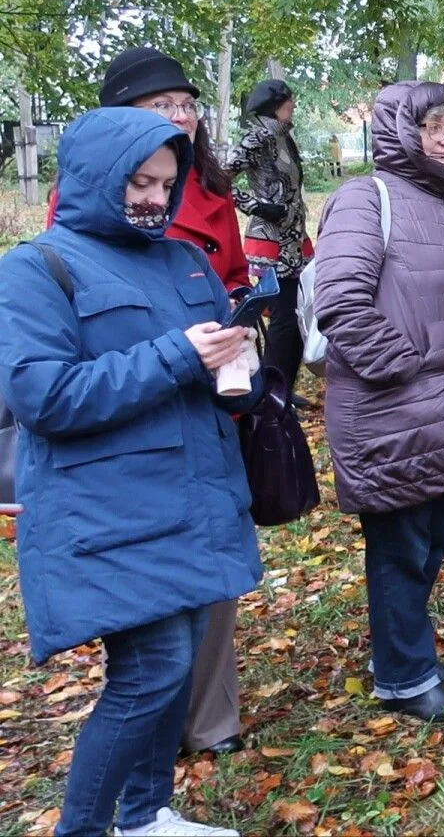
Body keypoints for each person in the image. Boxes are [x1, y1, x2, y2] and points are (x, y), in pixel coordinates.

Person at [0, 108, 262, 837]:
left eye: (166, 183)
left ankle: (144, 817)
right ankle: (82, 828)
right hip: (106, 512)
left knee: (173, 672)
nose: (154, 197)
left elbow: (215, 363)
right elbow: (44, 396)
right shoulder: (34, 268)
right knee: (148, 674)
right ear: (93, 178)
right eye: (139, 182)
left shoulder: (183, 259)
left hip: (192, 497)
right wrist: (181, 356)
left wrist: (242, 368)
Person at [65, 48, 253, 760]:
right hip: (133, 411)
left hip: (206, 398)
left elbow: (228, 275)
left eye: (187, 103)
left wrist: (240, 326)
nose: (180, 115)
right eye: (159, 106)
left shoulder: (209, 188)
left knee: (212, 567)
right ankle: (150, 723)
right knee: (152, 591)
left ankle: (210, 721)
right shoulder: (82, 213)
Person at [312, 82, 444, 722]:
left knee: (433, 540)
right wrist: (400, 369)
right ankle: (402, 678)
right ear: (401, 131)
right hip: (391, 410)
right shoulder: (363, 199)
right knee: (399, 547)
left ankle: (404, 650)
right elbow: (340, 301)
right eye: (436, 130)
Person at [227, 78, 313, 395]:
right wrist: (258, 206)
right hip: (270, 243)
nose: (293, 104)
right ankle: (271, 394)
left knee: (297, 318)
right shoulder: (257, 139)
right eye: (290, 99)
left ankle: (283, 389)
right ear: (276, 104)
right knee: (283, 322)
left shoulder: (283, 139)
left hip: (295, 241)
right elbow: (219, 177)